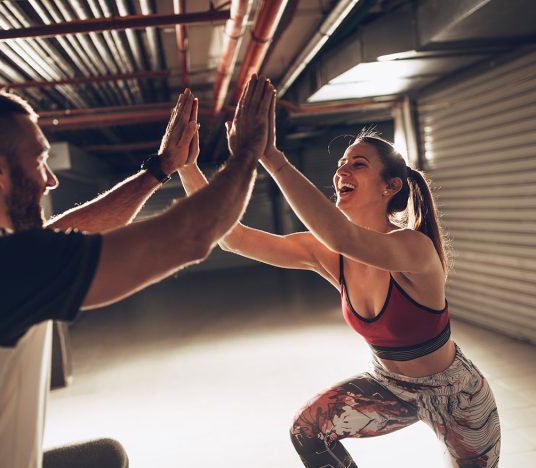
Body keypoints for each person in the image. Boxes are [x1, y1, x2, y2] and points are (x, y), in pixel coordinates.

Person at [0, 75, 276, 468]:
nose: (50, 178)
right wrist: (247, 150)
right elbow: (190, 235)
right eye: (41, 160)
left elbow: (68, 231)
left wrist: (160, 168)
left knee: (103, 458)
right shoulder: (2, 268)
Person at [178, 95, 501, 466]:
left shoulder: (413, 247)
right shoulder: (329, 253)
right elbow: (232, 238)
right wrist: (188, 167)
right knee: (308, 430)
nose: (341, 172)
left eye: (357, 165)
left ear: (390, 186)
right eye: (340, 164)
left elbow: (343, 237)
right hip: (391, 387)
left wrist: (271, 155)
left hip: (455, 393)